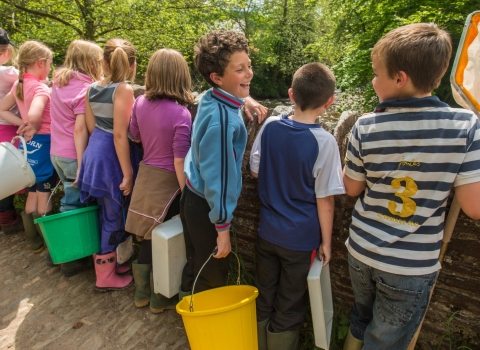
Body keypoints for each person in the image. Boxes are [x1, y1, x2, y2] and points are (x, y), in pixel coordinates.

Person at [342, 23, 480, 350]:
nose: (373, 82)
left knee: (362, 317)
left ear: (399, 78)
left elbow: (350, 188)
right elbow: (473, 207)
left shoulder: (366, 125)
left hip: (361, 250)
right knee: (385, 339)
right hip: (410, 267)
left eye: (377, 75)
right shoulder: (465, 126)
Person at [250, 63, 345, 350]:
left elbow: (255, 170)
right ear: (329, 103)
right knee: (290, 300)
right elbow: (325, 199)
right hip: (300, 240)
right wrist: (326, 242)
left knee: (264, 292)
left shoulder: (269, 126)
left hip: (267, 231)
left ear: (291, 94)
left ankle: (256, 342)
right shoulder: (325, 142)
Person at [180, 30, 268, 298]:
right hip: (208, 208)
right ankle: (204, 330)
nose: (250, 73)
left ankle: (186, 306)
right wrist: (222, 228)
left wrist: (243, 97)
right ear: (217, 78)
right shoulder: (224, 122)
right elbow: (219, 179)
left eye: (249, 65)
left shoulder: (212, 97)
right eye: (240, 69)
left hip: (191, 196)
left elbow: (221, 95)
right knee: (212, 275)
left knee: (195, 263)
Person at [125, 48, 193, 312]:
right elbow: (179, 160)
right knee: (163, 238)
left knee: (147, 235)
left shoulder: (140, 102)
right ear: (180, 76)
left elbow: (135, 134)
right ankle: (159, 297)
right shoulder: (181, 114)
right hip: (169, 182)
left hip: (146, 174)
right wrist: (186, 193)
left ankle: (141, 293)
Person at [77, 38, 140, 292]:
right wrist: (128, 172)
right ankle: (104, 276)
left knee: (105, 212)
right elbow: (119, 134)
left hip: (95, 153)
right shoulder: (124, 90)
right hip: (111, 159)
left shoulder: (91, 88)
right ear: (133, 66)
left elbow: (93, 128)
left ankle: (111, 263)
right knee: (113, 215)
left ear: (102, 61)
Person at [49, 40, 104, 276]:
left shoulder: (59, 82)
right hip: (73, 156)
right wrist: (82, 165)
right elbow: (80, 129)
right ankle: (70, 258)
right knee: (74, 204)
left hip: (56, 153)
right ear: (92, 63)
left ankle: (64, 254)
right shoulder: (84, 89)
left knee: (68, 201)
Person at [0, 40, 55, 253]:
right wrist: (31, 124)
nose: (50, 67)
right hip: (44, 142)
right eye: (49, 63)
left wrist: (21, 125)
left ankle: (35, 242)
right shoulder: (40, 88)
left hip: (27, 146)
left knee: (32, 189)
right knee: (43, 192)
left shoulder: (19, 84)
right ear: (41, 62)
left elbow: (2, 109)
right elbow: (34, 114)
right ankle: (49, 243)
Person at [0, 29, 23, 235]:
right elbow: (31, 79)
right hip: (7, 126)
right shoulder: (8, 73)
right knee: (7, 169)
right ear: (5, 52)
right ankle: (7, 217)